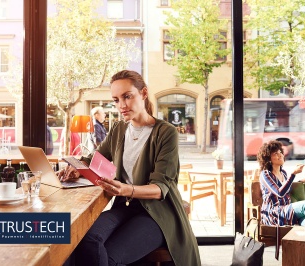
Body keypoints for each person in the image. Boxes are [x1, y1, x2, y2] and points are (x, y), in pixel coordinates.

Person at [59, 70, 201, 266]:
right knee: (84, 240)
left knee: (107, 258)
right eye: (116, 100)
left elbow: (160, 188)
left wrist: (125, 189)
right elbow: (95, 159)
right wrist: (77, 168)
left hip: (157, 213)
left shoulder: (165, 132)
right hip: (125, 207)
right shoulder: (119, 129)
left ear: (143, 93)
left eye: (127, 96)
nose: (122, 105)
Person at [258, 140, 305, 227]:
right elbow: (279, 193)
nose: (280, 155)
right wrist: (293, 174)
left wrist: (301, 181)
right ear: (268, 159)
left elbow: (286, 188)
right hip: (275, 214)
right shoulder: (266, 174)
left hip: (288, 213)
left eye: (280, 152)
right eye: (275, 153)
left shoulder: (283, 173)